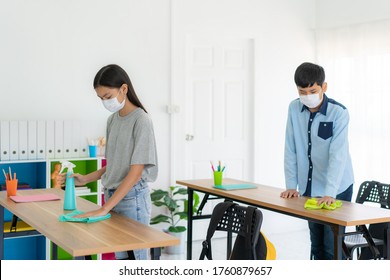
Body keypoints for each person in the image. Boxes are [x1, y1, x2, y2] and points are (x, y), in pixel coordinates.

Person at [59, 64, 158, 260]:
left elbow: (135, 171)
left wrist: (103, 208)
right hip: (114, 195)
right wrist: (86, 178)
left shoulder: (141, 120)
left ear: (123, 89)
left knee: (136, 261)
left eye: (107, 96)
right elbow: (115, 163)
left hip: (132, 199)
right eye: (101, 98)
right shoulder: (112, 120)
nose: (105, 102)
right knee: (122, 259)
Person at [280, 62, 354, 260]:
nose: (307, 96)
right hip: (311, 188)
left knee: (332, 246)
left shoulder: (339, 113)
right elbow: (290, 148)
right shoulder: (294, 108)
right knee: (317, 245)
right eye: (302, 91)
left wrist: (330, 192)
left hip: (337, 187)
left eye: (312, 90)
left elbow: (337, 156)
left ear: (324, 87)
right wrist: (291, 185)